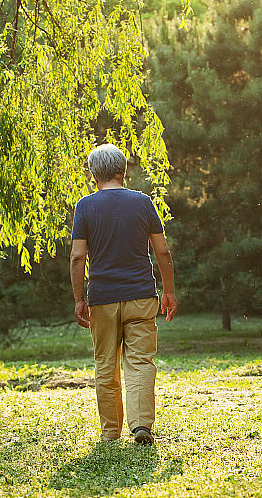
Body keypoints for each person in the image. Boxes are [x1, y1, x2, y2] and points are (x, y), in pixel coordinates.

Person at [70, 143, 177, 446]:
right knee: (141, 362)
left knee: (106, 363)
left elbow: (78, 257)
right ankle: (141, 425)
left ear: (94, 174)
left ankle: (110, 431)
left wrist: (80, 299)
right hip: (141, 295)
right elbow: (163, 251)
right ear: (123, 171)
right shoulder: (143, 203)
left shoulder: (86, 207)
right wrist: (168, 291)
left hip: (102, 298)